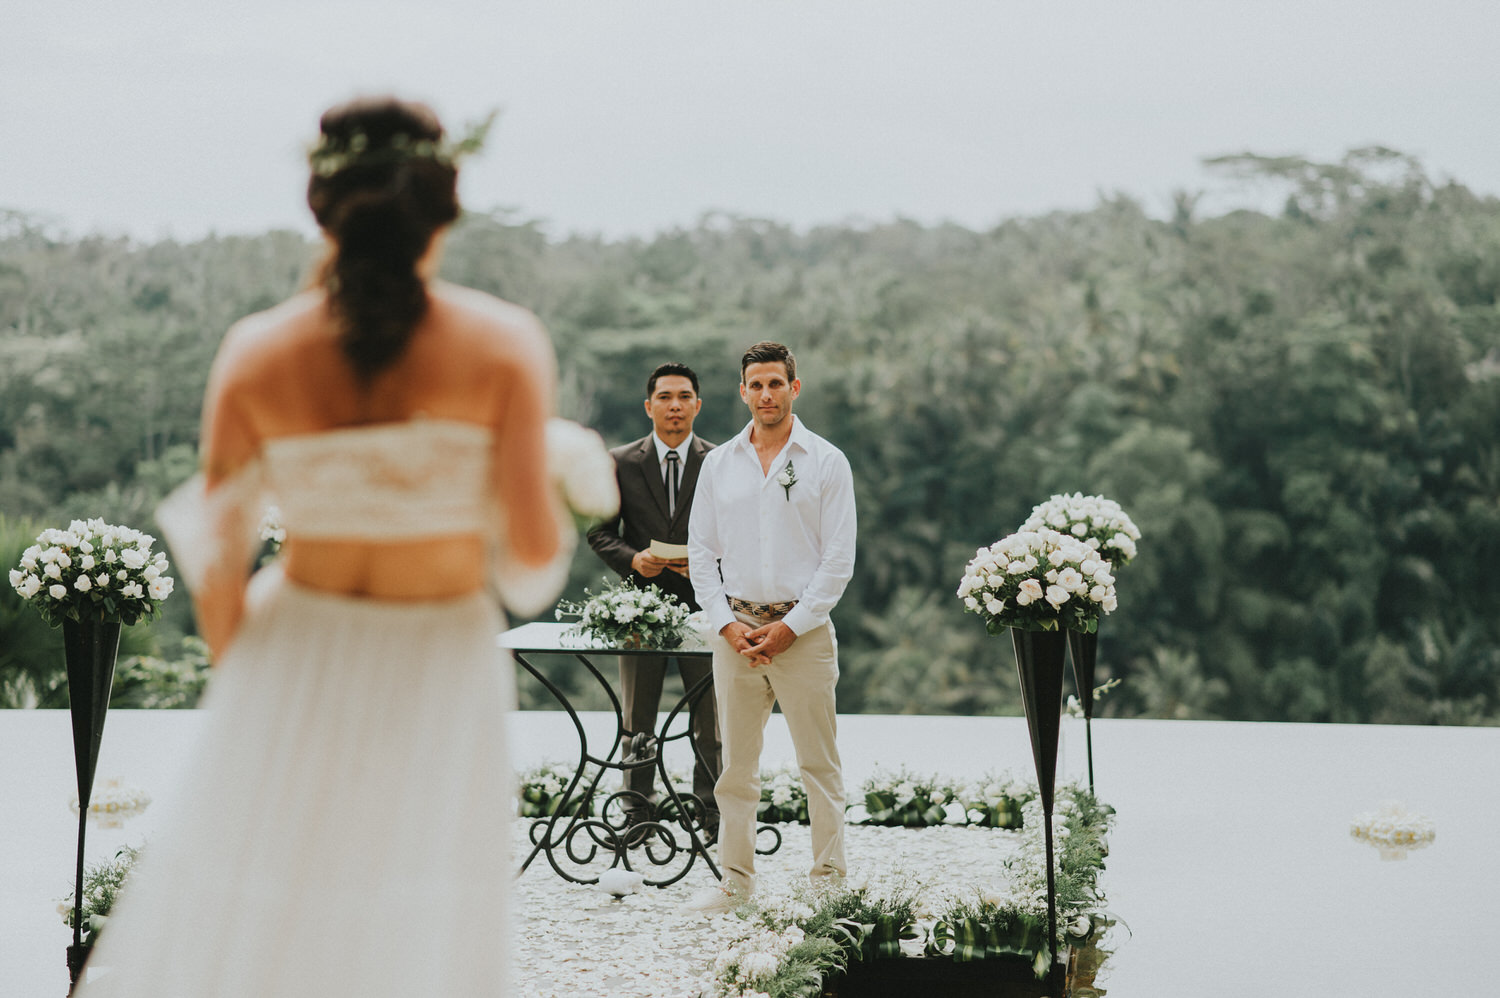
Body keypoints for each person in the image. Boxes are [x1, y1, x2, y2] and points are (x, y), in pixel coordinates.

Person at [75, 97, 569, 996]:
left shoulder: (256, 353)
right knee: (419, 917)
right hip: (441, 664)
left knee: (270, 916)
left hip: (290, 655)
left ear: (320, 210)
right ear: (443, 209)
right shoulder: (504, 345)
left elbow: (219, 564)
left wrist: (251, 689)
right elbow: (533, 570)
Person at [685, 341, 857, 913]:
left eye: (775, 384)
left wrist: (792, 627)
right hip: (734, 634)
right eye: (755, 385)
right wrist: (725, 627)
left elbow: (838, 560)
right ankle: (735, 881)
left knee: (819, 763)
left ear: (794, 388)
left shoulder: (826, 461)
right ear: (742, 392)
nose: (765, 394)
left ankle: (829, 881)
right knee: (734, 767)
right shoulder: (718, 464)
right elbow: (700, 552)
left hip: (802, 635)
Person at [586, 363, 722, 841]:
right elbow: (599, 532)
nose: (675, 405)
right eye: (665, 397)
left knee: (711, 718)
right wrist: (633, 560)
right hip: (640, 612)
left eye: (684, 396)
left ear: (697, 405)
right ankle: (637, 816)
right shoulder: (620, 461)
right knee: (636, 719)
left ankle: (711, 816)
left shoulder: (721, 461)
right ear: (649, 406)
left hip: (709, 608)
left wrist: (707, 564)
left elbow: (739, 536)